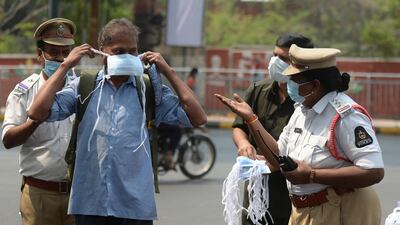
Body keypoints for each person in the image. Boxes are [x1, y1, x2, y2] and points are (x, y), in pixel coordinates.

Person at [27, 18, 207, 225]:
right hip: (90, 204)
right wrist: (65, 65)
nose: (129, 57)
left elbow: (198, 117)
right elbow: (36, 112)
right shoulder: (84, 87)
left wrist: (168, 71)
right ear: (102, 51)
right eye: (119, 51)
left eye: (133, 51)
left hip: (135, 208)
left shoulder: (148, 90)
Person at [216, 44, 384, 225]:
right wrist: (251, 119)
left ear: (315, 85)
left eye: (295, 80)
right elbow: (278, 156)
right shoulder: (302, 110)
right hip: (303, 210)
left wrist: (312, 175)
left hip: (341, 209)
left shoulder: (346, 116)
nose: (289, 86)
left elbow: (373, 171)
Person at [232, 33, 313, 225]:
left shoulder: (309, 98)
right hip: (257, 191)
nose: (275, 62)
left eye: (283, 58)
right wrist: (244, 143)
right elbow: (239, 126)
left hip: (294, 195)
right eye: (274, 55)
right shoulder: (258, 90)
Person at [1, 18, 76, 225]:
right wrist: (35, 121)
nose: (62, 59)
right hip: (39, 194)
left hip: (78, 194)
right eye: (54, 52)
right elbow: (8, 140)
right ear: (40, 56)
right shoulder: (24, 91)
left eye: (66, 52)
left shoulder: (83, 88)